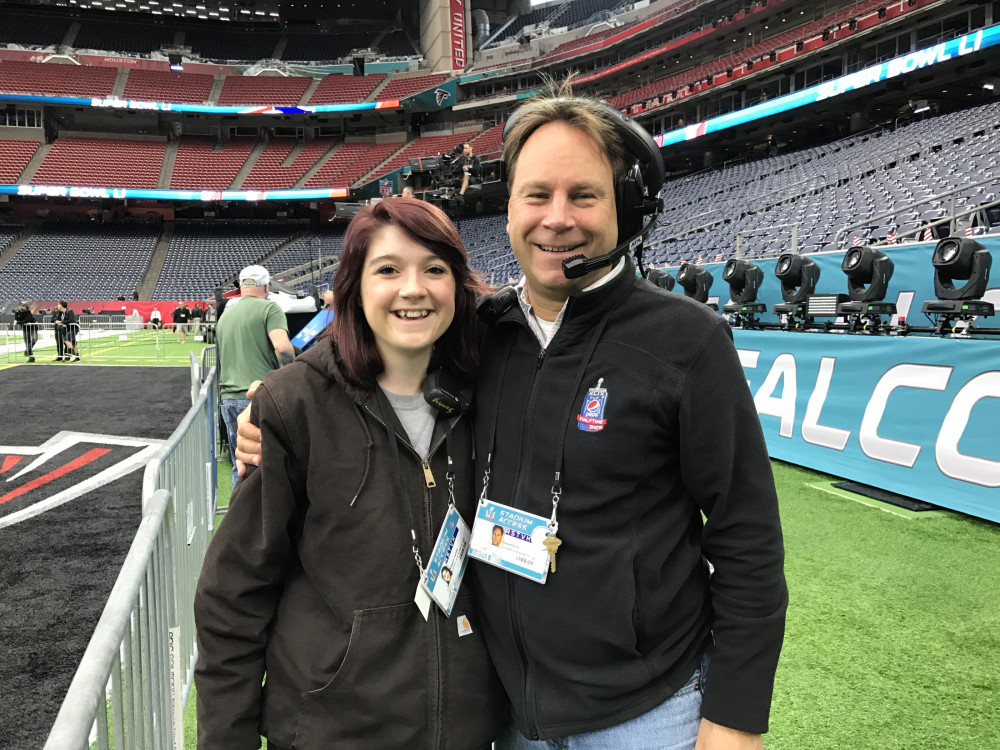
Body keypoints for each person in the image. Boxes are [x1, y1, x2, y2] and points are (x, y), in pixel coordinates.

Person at [237, 80, 787, 750]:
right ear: (508, 213)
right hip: (510, 716)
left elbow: (748, 543)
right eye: (537, 195)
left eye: (583, 194)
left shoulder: (688, 343)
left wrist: (734, 720)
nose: (558, 217)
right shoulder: (478, 333)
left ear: (627, 209)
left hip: (647, 714)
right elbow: (372, 343)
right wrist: (275, 412)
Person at [194, 198, 507, 750]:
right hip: (334, 729)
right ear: (352, 287)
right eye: (387, 269)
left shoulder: (491, 387)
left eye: (434, 269)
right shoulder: (296, 405)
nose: (413, 288)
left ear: (458, 288)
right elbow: (233, 595)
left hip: (468, 729)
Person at [215, 265, 294, 488]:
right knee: (268, 467)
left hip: (228, 398)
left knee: (239, 467)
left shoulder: (226, 316)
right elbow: (284, 349)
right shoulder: (270, 308)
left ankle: (238, 519)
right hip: (257, 397)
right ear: (266, 286)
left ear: (241, 286)